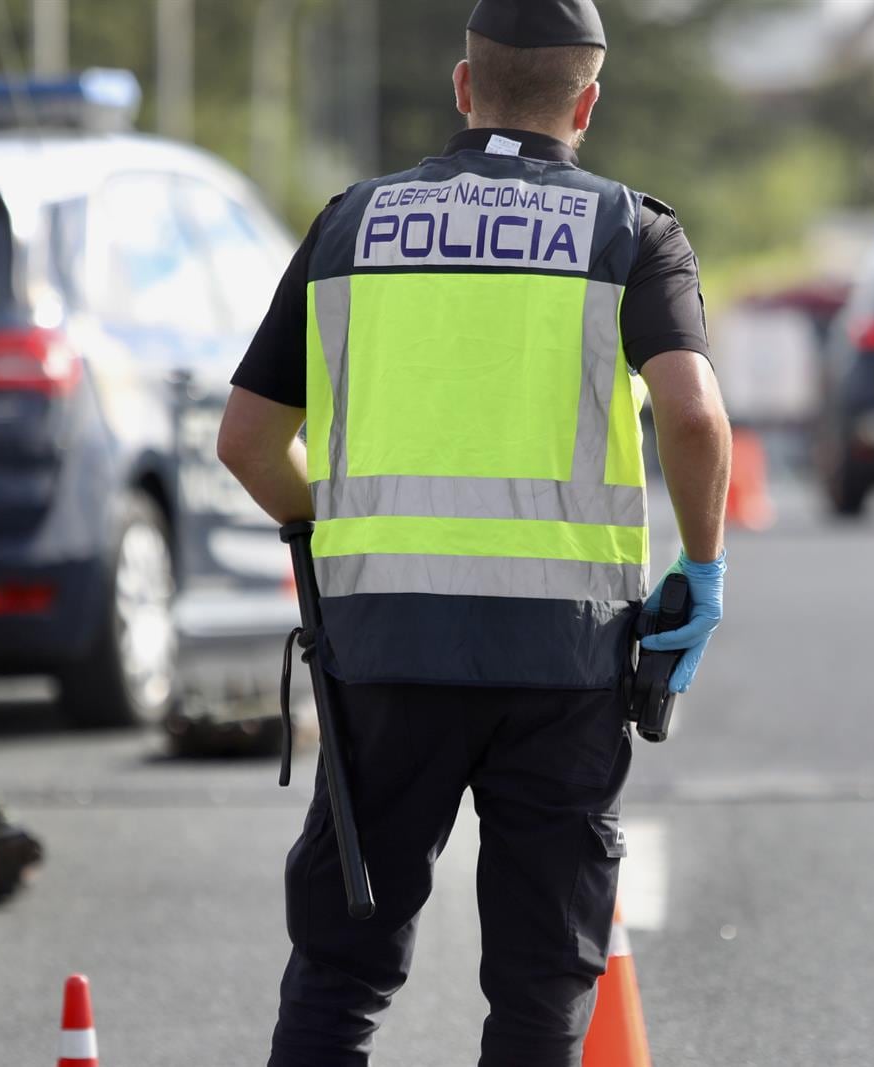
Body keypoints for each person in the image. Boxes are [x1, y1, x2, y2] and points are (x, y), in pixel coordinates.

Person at [217, 0, 731, 1062]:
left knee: (340, 971)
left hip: (385, 650)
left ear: (463, 86)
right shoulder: (628, 230)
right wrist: (705, 566)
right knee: (542, 987)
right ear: (585, 100)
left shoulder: (351, 222)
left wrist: (341, 529)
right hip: (564, 658)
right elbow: (690, 412)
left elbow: (248, 443)